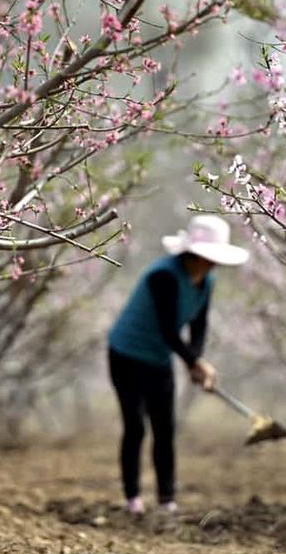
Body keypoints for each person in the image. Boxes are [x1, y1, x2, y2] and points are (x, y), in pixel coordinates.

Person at [106, 214, 249, 515]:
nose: (210, 265)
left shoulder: (206, 281)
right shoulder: (164, 276)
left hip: (158, 358)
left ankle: (166, 499)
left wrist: (194, 362)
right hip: (126, 355)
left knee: (165, 428)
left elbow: (198, 325)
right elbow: (168, 330)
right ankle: (133, 498)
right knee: (135, 426)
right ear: (192, 254)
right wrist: (196, 362)